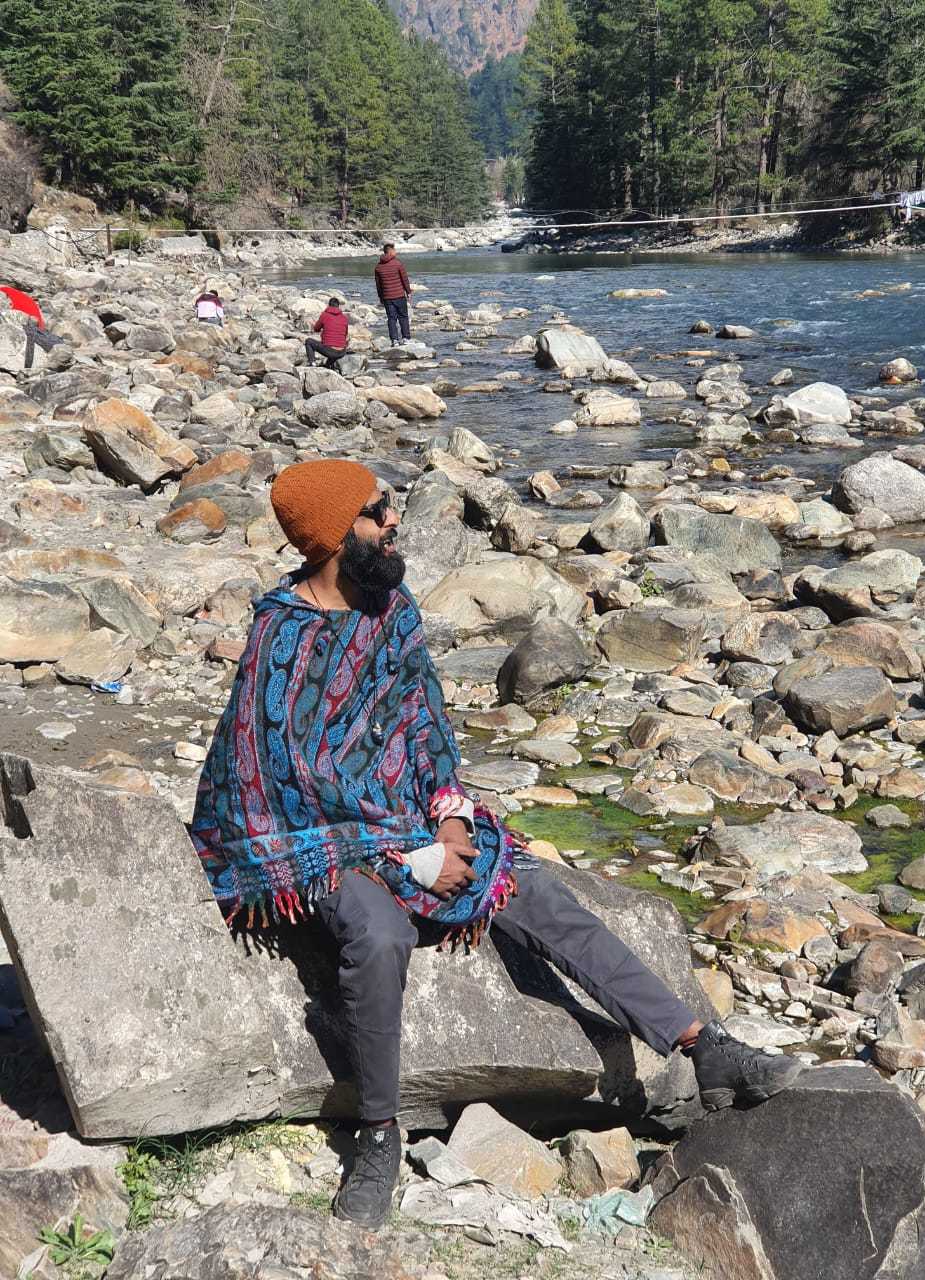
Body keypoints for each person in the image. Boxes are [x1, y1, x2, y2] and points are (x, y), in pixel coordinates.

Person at [190, 460, 802, 1231]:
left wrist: (449, 822)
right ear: (335, 534)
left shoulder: (390, 608)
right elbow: (278, 778)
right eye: (378, 511)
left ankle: (702, 1045)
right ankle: (378, 1136)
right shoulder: (282, 634)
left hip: (401, 818)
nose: (394, 520)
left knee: (531, 886)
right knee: (378, 934)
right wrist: (409, 861)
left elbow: (424, 729)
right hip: (309, 843)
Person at [374, 242, 412, 346]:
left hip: (387, 297)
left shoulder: (378, 267)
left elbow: (378, 285)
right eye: (394, 250)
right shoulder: (398, 264)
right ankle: (406, 338)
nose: (396, 252)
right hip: (399, 295)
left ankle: (394, 340)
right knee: (403, 317)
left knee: (391, 319)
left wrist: (381, 297)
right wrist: (408, 292)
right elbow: (404, 279)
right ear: (390, 252)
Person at [305, 296, 350, 369]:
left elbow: (316, 329)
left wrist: (314, 325)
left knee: (309, 341)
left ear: (329, 305)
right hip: (342, 352)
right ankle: (328, 365)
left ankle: (312, 363)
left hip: (330, 351)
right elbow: (345, 334)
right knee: (333, 345)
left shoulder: (324, 315)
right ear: (338, 306)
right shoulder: (344, 318)